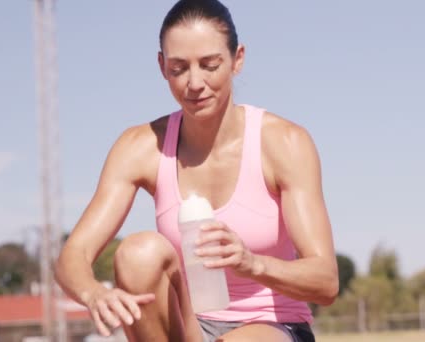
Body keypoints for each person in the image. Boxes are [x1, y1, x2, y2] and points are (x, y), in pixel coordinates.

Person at [54, 0, 338, 341]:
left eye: (209, 65)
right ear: (161, 66)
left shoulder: (284, 143)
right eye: (178, 68)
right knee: (138, 253)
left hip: (272, 327)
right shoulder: (140, 146)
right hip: (190, 327)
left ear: (237, 59)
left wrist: (251, 263)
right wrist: (93, 294)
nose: (194, 83)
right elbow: (74, 255)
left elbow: (326, 282)